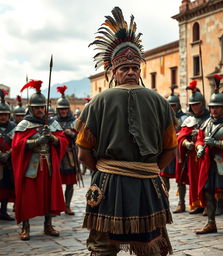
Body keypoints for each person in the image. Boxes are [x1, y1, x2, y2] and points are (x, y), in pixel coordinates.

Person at [75, 7, 177, 256]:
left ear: (139, 71)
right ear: (113, 72)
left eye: (134, 67)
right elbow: (169, 150)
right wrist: (150, 169)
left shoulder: (98, 102)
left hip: (110, 183)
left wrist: (106, 169)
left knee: (106, 249)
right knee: (147, 247)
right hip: (144, 183)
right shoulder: (160, 101)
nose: (131, 71)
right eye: (125, 68)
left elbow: (84, 155)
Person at [12, 80, 68, 240]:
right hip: (31, 166)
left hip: (49, 164)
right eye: (37, 107)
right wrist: (35, 142)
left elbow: (63, 141)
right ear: (31, 108)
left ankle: (48, 225)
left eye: (42, 107)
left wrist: (53, 139)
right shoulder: (24, 124)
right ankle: (26, 227)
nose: (40, 110)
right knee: (28, 196)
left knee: (49, 194)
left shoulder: (52, 123)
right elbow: (17, 145)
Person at [195, 75, 223, 239]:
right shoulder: (206, 123)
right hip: (208, 163)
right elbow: (200, 139)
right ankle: (211, 223)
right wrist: (200, 147)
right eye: (211, 107)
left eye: (217, 107)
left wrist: (217, 143)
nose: (213, 110)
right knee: (208, 193)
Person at [177, 80, 209, 215]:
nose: (195, 107)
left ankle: (210, 205)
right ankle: (198, 204)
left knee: (207, 180)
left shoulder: (210, 118)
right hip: (192, 156)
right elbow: (181, 136)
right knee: (194, 180)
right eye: (192, 105)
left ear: (202, 104)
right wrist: (186, 143)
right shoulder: (189, 120)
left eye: (197, 104)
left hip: (207, 154)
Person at [160, 85, 187, 213]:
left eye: (173, 106)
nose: (171, 108)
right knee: (164, 177)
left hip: (179, 152)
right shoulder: (163, 118)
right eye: (169, 105)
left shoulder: (184, 118)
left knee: (180, 179)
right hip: (166, 151)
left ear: (178, 106)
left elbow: (187, 132)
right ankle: (165, 203)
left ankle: (181, 203)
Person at [54, 85, 78, 215]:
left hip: (69, 155)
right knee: (55, 182)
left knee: (69, 183)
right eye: (61, 109)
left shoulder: (74, 122)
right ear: (57, 109)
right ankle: (56, 205)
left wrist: (72, 134)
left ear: (68, 109)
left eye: (65, 109)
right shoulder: (53, 122)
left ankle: (67, 205)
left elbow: (80, 137)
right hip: (56, 155)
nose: (63, 111)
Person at [0, 89, 16, 221]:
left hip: (9, 163)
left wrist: (8, 154)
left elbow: (17, 143)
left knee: (6, 186)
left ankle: (4, 210)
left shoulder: (14, 127)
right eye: (0, 114)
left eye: (5, 114)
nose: (2, 117)